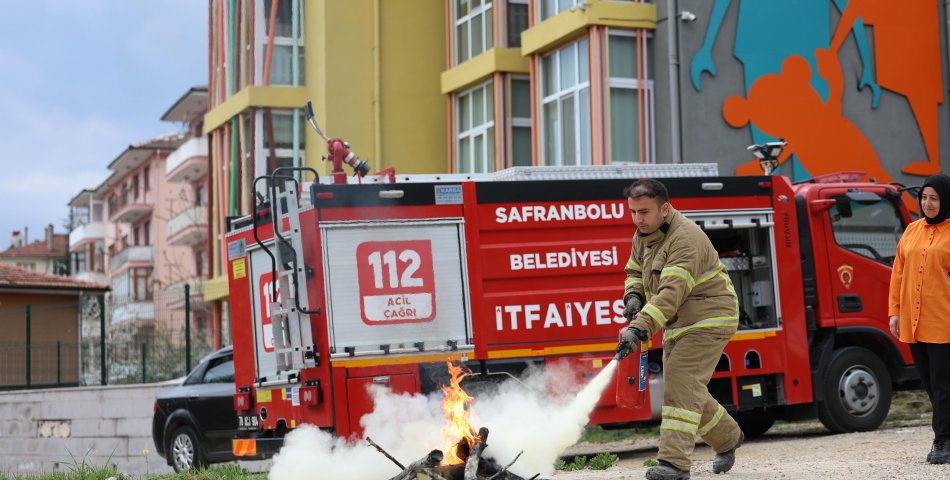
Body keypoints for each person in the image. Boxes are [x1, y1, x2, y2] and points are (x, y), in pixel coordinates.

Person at [615, 179, 744, 480]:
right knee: (687, 386)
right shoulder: (643, 235)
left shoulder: (685, 239)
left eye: (644, 212)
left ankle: (673, 465)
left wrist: (638, 329)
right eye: (633, 212)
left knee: (680, 382)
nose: (638, 219)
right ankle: (728, 438)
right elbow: (634, 270)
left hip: (710, 317)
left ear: (665, 208)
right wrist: (633, 295)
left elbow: (670, 294)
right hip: (680, 322)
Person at [888, 173, 950, 464]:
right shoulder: (911, 230)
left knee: (942, 385)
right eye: (924, 197)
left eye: (934, 198)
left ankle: (943, 442)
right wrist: (894, 312)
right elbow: (898, 274)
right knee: (929, 383)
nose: (928, 203)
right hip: (915, 321)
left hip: (944, 322)